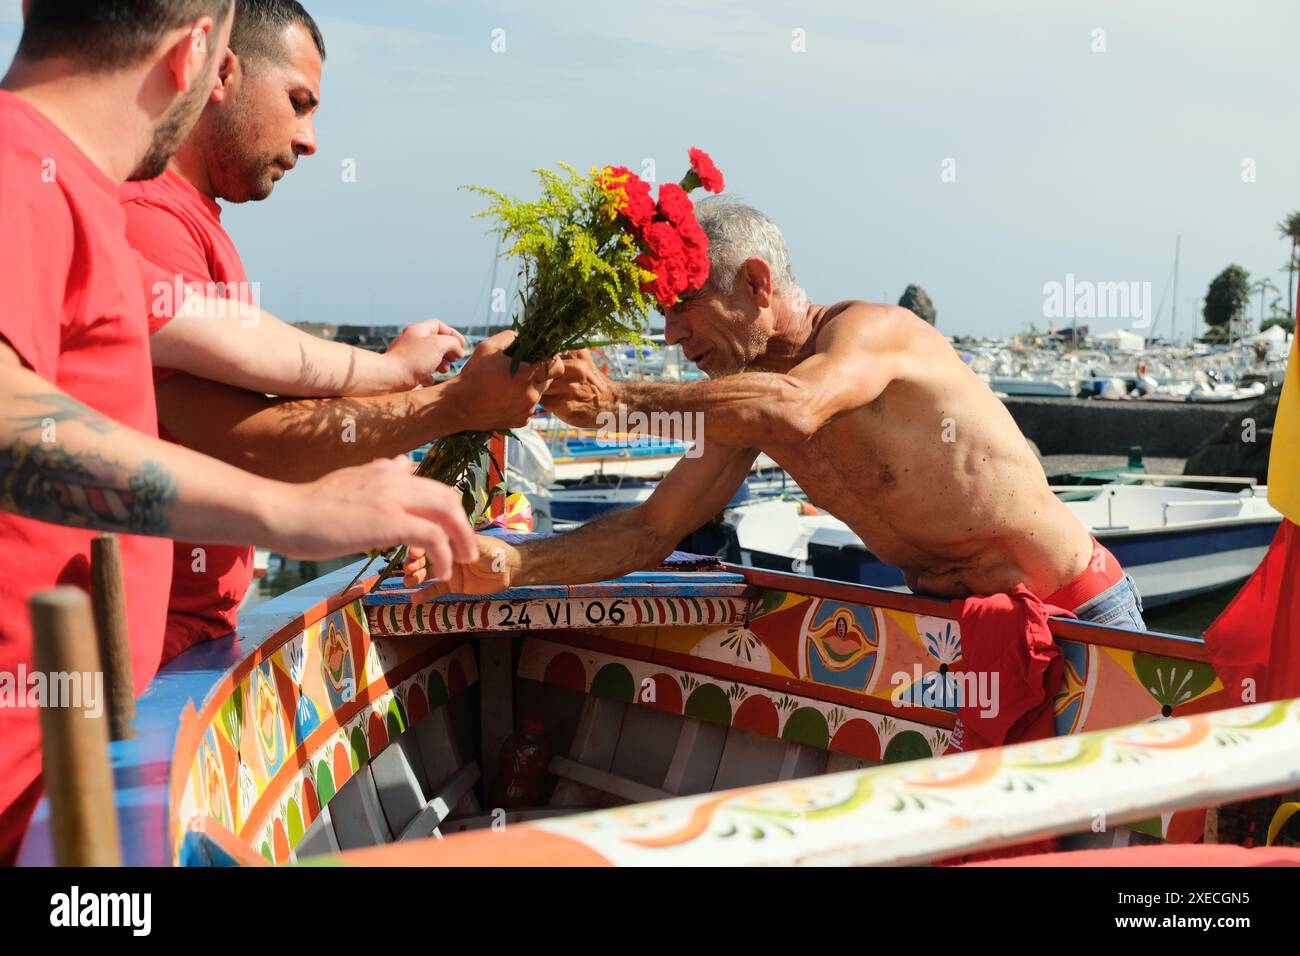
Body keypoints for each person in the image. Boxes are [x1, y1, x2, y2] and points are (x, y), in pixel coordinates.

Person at [0, 0, 475, 863]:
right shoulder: (16, 165)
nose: (312, 139)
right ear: (198, 57)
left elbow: (222, 331)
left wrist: (393, 370)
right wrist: (290, 513)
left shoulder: (70, 191)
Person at [405, 198, 1147, 631]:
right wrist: (510, 564)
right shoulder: (746, 396)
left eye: (685, 308)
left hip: (1081, 611)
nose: (671, 334)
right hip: (956, 631)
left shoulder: (872, 333)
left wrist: (621, 404)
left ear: (757, 283)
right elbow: (650, 528)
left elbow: (796, 407)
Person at [120, 0, 557, 664]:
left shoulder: (189, 219)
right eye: (299, 102)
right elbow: (245, 446)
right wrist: (453, 404)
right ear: (222, 73)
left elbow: (263, 369)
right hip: (144, 643)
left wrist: (398, 390)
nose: (310, 139)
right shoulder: (148, 215)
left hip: (179, 632)